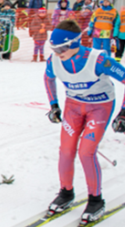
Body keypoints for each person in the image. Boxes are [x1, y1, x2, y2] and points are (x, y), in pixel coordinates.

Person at [44, 20, 125, 225]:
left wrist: (123, 112)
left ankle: (96, 200)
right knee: (66, 150)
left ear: (74, 43)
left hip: (99, 107)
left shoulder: (98, 59)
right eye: (53, 48)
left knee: (86, 152)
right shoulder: (53, 60)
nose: (57, 52)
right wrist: (54, 105)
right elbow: (48, 79)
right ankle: (66, 192)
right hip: (74, 107)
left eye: (61, 48)